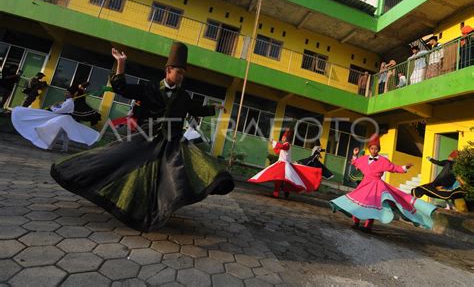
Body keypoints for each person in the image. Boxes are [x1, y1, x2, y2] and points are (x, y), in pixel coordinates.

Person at [50, 42, 234, 232]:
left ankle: (159, 211)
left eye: (183, 74)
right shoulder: (149, 89)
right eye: (179, 72)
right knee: (113, 159)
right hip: (145, 139)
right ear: (168, 70)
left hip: (172, 143)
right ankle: (79, 176)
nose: (181, 77)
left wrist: (215, 108)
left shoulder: (184, 96)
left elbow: (197, 109)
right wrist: (121, 63)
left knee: (174, 176)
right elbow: (121, 88)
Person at [330, 134, 437, 233]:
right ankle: (356, 222)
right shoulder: (364, 158)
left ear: (378, 150)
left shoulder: (383, 160)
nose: (373, 150)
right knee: (358, 202)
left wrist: (405, 167)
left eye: (376, 149)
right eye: (372, 148)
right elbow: (355, 163)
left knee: (372, 205)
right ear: (369, 149)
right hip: (364, 184)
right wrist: (355, 155)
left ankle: (368, 227)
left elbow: (394, 168)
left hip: (376, 186)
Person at [11, 89, 100, 151]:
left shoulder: (69, 102)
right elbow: (61, 108)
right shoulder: (68, 101)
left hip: (64, 118)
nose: (66, 94)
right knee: (64, 133)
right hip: (64, 118)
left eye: (67, 92)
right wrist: (56, 106)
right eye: (66, 92)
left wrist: (53, 107)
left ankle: (51, 145)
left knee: (54, 130)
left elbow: (61, 110)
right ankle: (63, 148)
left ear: (71, 94)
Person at [248, 129, 322, 199]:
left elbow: (281, 146)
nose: (283, 139)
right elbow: (277, 151)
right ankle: (281, 192)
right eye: (282, 138)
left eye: (284, 138)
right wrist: (273, 144)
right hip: (281, 164)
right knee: (279, 179)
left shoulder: (287, 145)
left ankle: (281, 192)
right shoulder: (284, 145)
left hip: (285, 165)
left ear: (287, 139)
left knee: (284, 180)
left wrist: (274, 142)